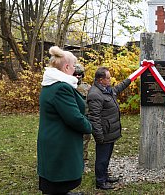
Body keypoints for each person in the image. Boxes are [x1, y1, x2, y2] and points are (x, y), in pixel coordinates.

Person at [37, 46, 92, 195]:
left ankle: (64, 192)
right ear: (67, 67)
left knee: (56, 178)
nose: (75, 70)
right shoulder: (61, 87)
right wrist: (89, 126)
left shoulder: (52, 84)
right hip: (59, 141)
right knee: (58, 178)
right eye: (74, 66)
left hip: (55, 138)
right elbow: (74, 118)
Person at [87, 66, 132, 190]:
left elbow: (118, 88)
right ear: (101, 80)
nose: (110, 79)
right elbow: (94, 117)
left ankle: (105, 176)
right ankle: (100, 181)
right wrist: (99, 135)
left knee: (106, 157)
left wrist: (129, 79)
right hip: (104, 132)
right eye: (108, 78)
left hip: (110, 131)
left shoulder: (106, 90)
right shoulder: (95, 94)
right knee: (101, 158)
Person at [73, 64, 92, 171]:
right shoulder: (67, 86)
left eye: (80, 74)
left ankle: (84, 163)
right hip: (72, 118)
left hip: (85, 118)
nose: (77, 76)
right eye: (75, 74)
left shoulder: (87, 88)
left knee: (85, 141)